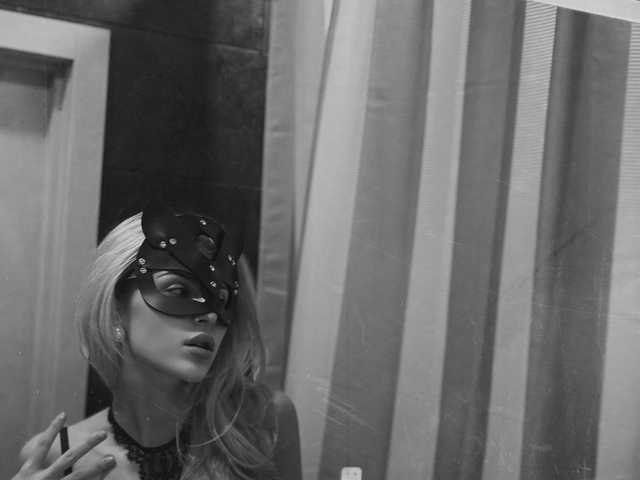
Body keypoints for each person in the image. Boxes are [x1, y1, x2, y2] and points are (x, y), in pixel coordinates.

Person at [13, 205, 302, 480]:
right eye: (178, 290)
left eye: (222, 300)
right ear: (116, 312)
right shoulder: (56, 456)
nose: (210, 315)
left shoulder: (263, 422)